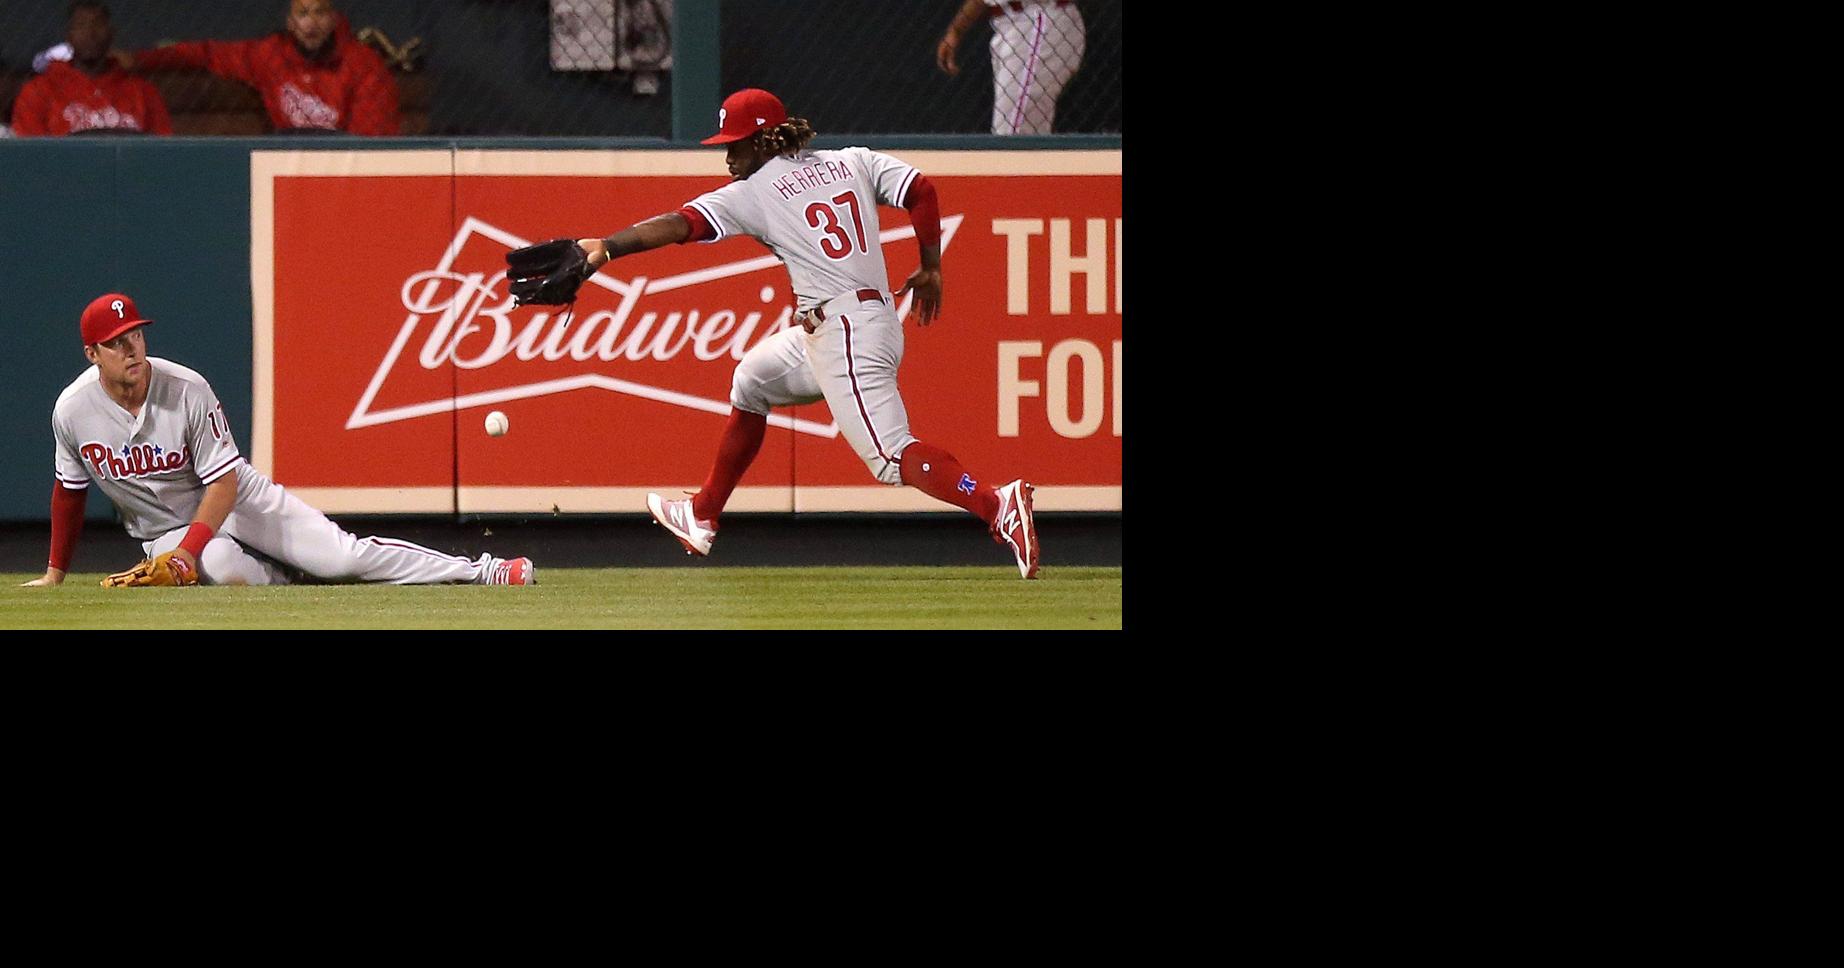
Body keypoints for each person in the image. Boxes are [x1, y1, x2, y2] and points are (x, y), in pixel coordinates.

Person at [563, 88, 1041, 578]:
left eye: (737, 144)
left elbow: (679, 224)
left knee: (890, 457)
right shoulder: (851, 161)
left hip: (847, 334)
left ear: (767, 139)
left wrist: (609, 247)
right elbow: (922, 190)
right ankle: (703, 513)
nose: (728, 156)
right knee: (751, 380)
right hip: (848, 325)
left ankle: (994, 504)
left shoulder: (754, 191)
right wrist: (931, 266)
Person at [21, 293, 534, 588]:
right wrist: (54, 576)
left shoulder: (186, 388)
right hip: (163, 528)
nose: (132, 347)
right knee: (222, 568)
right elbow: (69, 492)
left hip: (237, 499)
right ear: (93, 354)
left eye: (136, 334)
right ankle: (293, 585)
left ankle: (480, 570)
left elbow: (221, 484)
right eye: (117, 342)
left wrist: (186, 554)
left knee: (343, 559)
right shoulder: (73, 409)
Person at [113, 0, 399, 135]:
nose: (311, 23)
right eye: (302, 13)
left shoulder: (362, 64)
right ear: (290, 22)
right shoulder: (270, 55)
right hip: (287, 160)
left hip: (344, 165)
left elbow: (373, 137)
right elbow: (207, 53)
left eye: (320, 13)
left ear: (335, 19)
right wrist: (143, 59)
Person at [9, 2, 172, 137]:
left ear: (111, 33)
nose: (90, 33)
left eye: (98, 24)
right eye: (81, 25)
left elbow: (163, 152)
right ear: (69, 37)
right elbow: (31, 157)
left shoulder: (143, 92)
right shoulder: (38, 91)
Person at [935, 0, 1086, 135]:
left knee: (1013, 136)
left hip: (1038, 16)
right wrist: (956, 30)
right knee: (1017, 134)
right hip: (1010, 24)